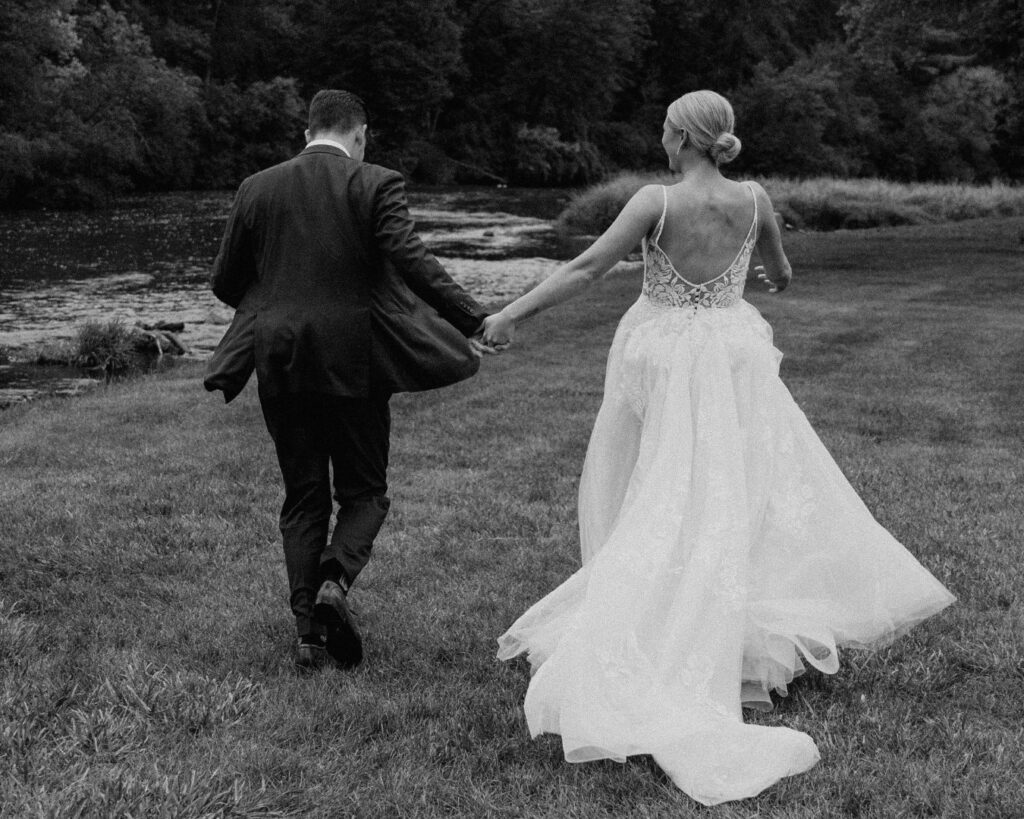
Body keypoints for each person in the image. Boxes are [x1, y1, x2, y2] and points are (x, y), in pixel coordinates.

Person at [481, 90, 955, 805]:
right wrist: (762, 276)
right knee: (734, 490)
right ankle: (735, 654)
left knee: (662, 488)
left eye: (665, 134)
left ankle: (664, 632)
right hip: (733, 355)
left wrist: (512, 312)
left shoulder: (653, 202)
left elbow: (585, 268)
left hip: (666, 357)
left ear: (679, 139)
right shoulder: (756, 199)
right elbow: (781, 272)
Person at [209, 89, 493, 672]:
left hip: (280, 357)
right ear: (359, 133)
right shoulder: (375, 182)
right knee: (364, 491)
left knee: (303, 496)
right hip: (355, 359)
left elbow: (224, 281)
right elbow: (412, 260)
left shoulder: (255, 187)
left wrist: (283, 306)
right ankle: (335, 579)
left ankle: (308, 635)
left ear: (307, 130)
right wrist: (474, 318)